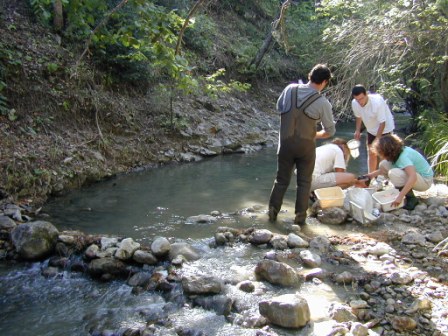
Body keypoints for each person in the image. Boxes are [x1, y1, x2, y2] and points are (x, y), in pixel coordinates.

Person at [269, 64, 336, 225]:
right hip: (306, 146)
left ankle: (272, 215)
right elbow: (330, 132)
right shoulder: (323, 103)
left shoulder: (289, 89)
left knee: (281, 180)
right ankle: (300, 219)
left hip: (285, 144)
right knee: (304, 182)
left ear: (309, 75)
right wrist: (316, 134)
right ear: (325, 82)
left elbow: (279, 108)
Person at [364, 134, 433, 210]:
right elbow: (382, 170)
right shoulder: (398, 153)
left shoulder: (403, 158)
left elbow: (413, 177)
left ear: (387, 151)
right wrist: (369, 176)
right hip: (419, 177)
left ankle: (411, 198)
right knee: (383, 164)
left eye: (381, 153)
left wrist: (399, 197)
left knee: (394, 173)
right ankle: (404, 192)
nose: (380, 156)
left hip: (425, 181)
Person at [352, 84, 395, 173]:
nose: (360, 102)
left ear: (366, 94)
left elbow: (382, 123)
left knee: (384, 153)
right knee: (371, 152)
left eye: (361, 98)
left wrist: (377, 140)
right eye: (357, 99)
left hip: (385, 127)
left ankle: (384, 177)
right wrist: (357, 130)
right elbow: (358, 117)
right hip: (371, 129)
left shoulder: (377, 102)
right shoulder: (354, 103)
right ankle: (371, 177)